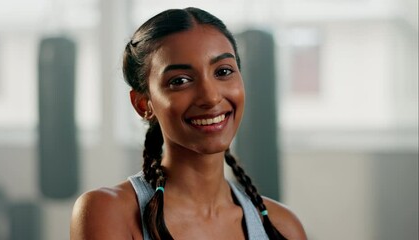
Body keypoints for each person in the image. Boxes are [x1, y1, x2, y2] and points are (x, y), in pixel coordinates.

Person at [70, 7, 307, 240]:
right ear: (144, 104)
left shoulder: (282, 227)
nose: (211, 97)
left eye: (223, 71)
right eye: (180, 80)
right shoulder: (109, 213)